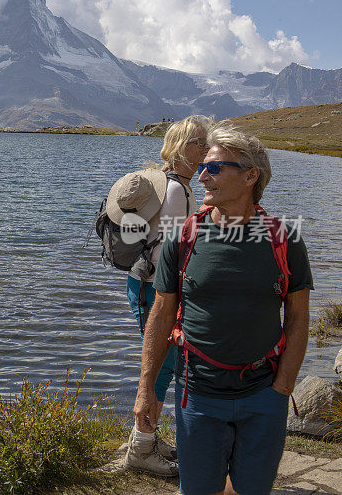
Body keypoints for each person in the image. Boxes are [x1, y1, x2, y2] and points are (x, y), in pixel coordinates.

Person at [133, 125, 313, 494]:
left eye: (214, 168)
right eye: (202, 167)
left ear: (250, 176)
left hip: (264, 396)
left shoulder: (285, 239)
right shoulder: (182, 238)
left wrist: (283, 389)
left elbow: (297, 318)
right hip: (197, 396)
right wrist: (145, 388)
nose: (201, 176)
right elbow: (162, 315)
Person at [121, 115, 212, 476]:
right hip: (152, 288)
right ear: (178, 148)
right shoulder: (176, 191)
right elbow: (169, 254)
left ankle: (147, 438)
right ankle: (140, 449)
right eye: (198, 142)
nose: (206, 149)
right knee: (159, 365)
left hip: (160, 288)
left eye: (207, 142)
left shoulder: (184, 187)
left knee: (168, 363)